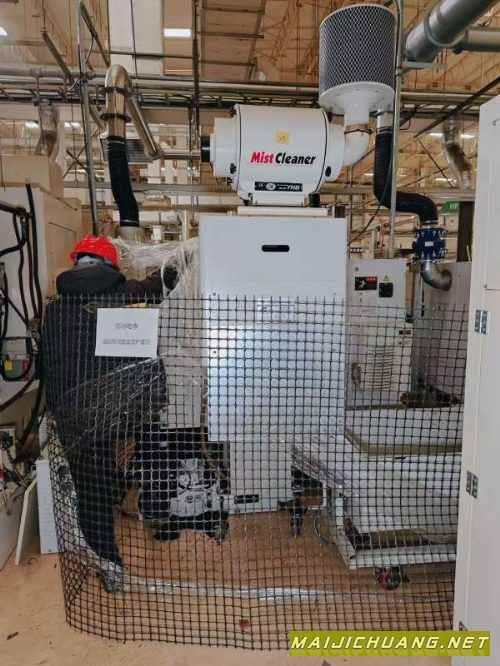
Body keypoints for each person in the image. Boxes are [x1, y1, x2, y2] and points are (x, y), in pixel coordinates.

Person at [44, 235, 173, 591]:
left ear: (76, 263)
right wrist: (182, 258)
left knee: (91, 492)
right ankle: (157, 511)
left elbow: (48, 365)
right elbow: (163, 281)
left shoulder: (55, 309)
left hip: (76, 417)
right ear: (111, 265)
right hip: (124, 411)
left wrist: (56, 412)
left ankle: (109, 566)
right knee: (153, 446)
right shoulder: (127, 294)